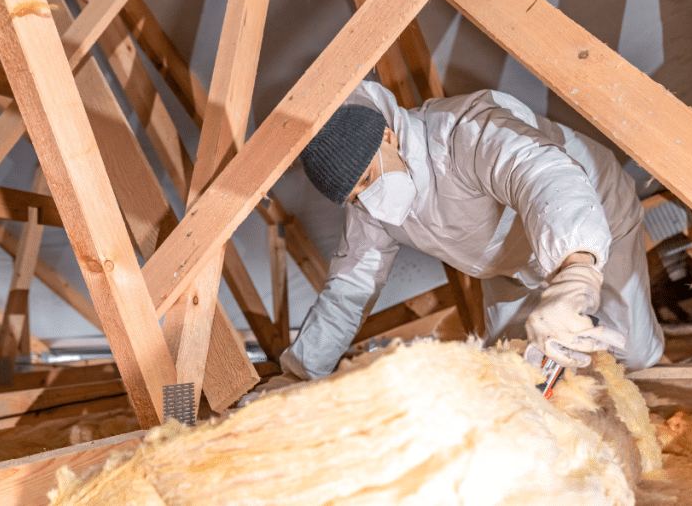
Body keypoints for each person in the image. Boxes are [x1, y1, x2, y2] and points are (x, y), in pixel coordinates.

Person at [280, 80, 664, 379]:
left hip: (591, 214)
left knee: (632, 352)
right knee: (516, 370)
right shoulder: (369, 209)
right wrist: (299, 372)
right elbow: (349, 289)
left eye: (366, 179)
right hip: (508, 262)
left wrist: (577, 273)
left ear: (388, 137)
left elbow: (544, 177)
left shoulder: (462, 131)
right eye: (353, 197)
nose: (367, 200)